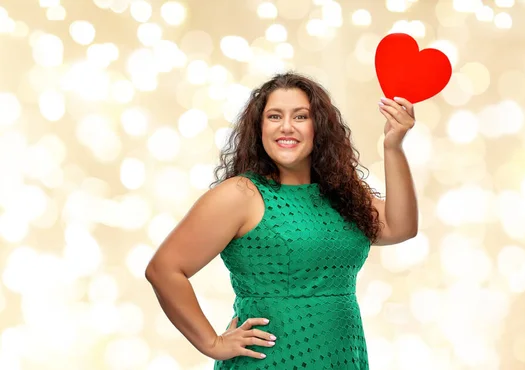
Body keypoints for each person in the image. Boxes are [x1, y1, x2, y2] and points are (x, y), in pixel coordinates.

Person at [145, 72, 418, 369]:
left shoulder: (342, 195)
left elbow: (400, 226)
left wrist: (393, 145)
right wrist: (212, 343)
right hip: (272, 361)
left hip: (343, 357)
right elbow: (164, 269)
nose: (286, 127)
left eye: (301, 117)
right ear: (259, 128)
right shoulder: (242, 195)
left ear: (320, 128)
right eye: (274, 116)